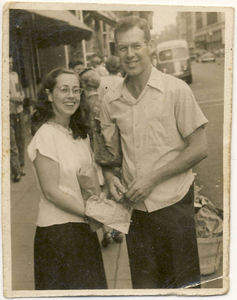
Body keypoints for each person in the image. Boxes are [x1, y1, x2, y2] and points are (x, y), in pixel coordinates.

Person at [100, 16, 208, 289]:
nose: (130, 54)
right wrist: (110, 175)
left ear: (150, 45)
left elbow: (199, 147)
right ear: (116, 50)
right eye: (122, 48)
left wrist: (152, 178)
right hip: (136, 212)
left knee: (184, 288)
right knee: (146, 289)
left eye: (136, 45)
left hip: (174, 204)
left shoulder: (175, 90)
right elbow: (110, 154)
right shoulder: (111, 99)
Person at [27, 68, 107, 290]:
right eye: (63, 90)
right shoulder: (45, 135)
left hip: (83, 229)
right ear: (50, 95)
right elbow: (51, 191)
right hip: (58, 234)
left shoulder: (79, 133)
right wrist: (91, 213)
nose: (71, 96)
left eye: (76, 90)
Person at [79, 68, 123, 246]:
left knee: (98, 190)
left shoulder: (84, 102)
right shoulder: (105, 97)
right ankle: (117, 228)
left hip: (91, 148)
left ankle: (106, 231)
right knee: (112, 187)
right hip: (106, 147)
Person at [9, 55, 26, 182]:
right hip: (7, 112)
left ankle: (20, 166)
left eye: (11, 62)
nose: (10, 65)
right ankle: (16, 172)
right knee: (12, 142)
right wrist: (11, 98)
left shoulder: (15, 74)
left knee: (21, 139)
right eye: (7, 62)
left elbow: (19, 88)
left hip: (18, 110)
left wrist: (22, 95)